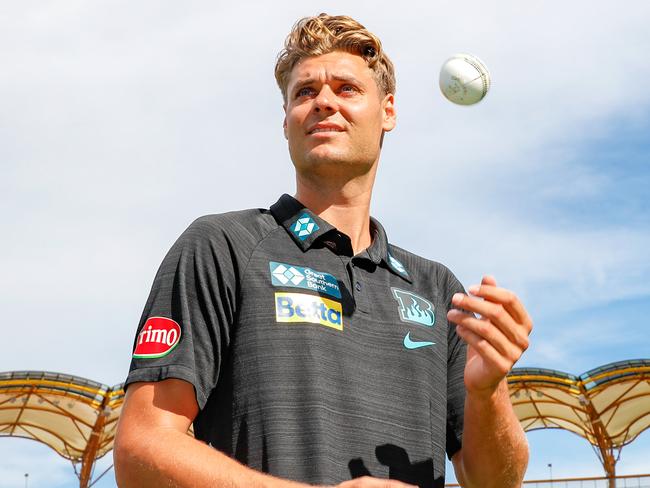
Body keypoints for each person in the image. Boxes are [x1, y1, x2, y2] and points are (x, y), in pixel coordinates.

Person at [113, 13, 532, 488]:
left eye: (347, 89)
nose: (324, 102)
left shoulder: (438, 290)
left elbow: (496, 481)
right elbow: (141, 450)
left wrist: (487, 390)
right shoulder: (222, 247)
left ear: (388, 112)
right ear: (286, 121)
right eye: (304, 92)